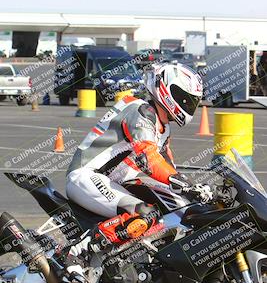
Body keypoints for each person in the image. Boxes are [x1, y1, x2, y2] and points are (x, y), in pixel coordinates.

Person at [66, 63, 213, 257]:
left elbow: (167, 167)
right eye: (184, 99)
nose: (188, 105)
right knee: (145, 214)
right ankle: (76, 252)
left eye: (191, 102)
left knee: (170, 207)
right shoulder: (141, 111)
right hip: (86, 175)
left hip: (112, 181)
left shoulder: (162, 126)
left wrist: (194, 189)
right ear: (165, 89)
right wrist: (182, 183)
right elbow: (148, 158)